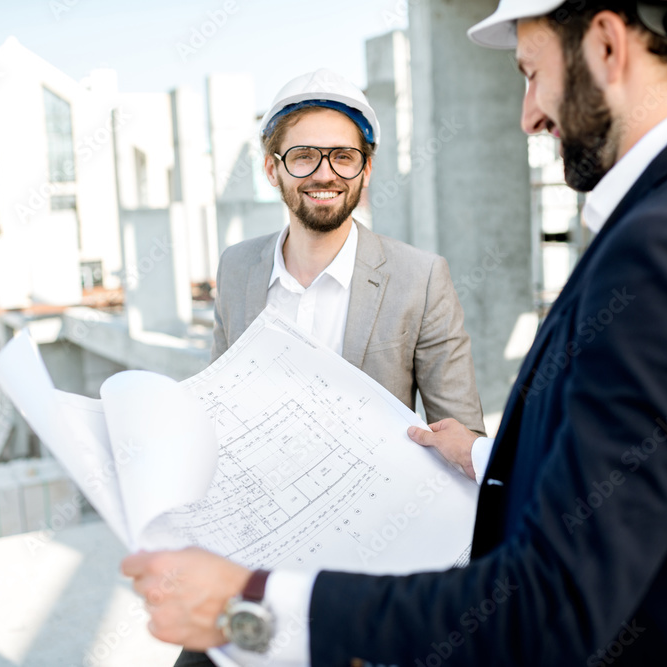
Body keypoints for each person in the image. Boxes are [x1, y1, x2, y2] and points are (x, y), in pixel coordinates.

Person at [124, 0, 667, 664]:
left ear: (608, 43)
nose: (529, 116)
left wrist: (251, 602)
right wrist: (490, 451)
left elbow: (550, 606)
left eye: (531, 74)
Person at [171, 69, 484, 666]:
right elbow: (214, 407)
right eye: (304, 156)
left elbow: (461, 444)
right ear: (273, 168)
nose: (325, 174)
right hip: (253, 553)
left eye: (343, 157)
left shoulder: (420, 277)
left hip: (362, 563)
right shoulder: (237, 268)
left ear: (365, 171)